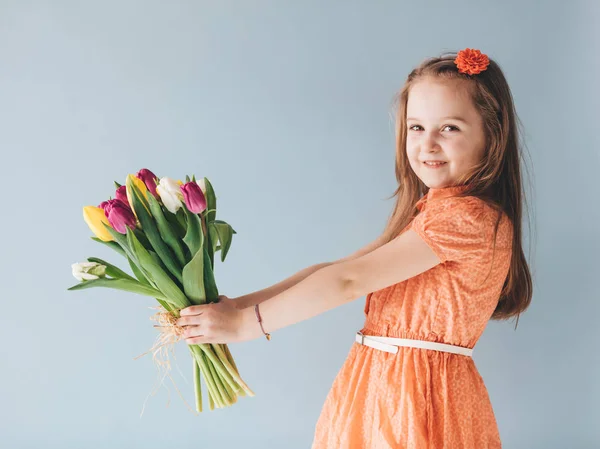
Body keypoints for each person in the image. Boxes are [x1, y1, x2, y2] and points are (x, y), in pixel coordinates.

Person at [175, 48, 533, 448]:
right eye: (416, 127)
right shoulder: (434, 212)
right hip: (381, 388)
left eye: (449, 128)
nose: (427, 144)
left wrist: (245, 326)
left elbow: (348, 281)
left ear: (492, 136)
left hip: (416, 400)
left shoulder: (465, 219)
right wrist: (236, 308)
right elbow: (338, 268)